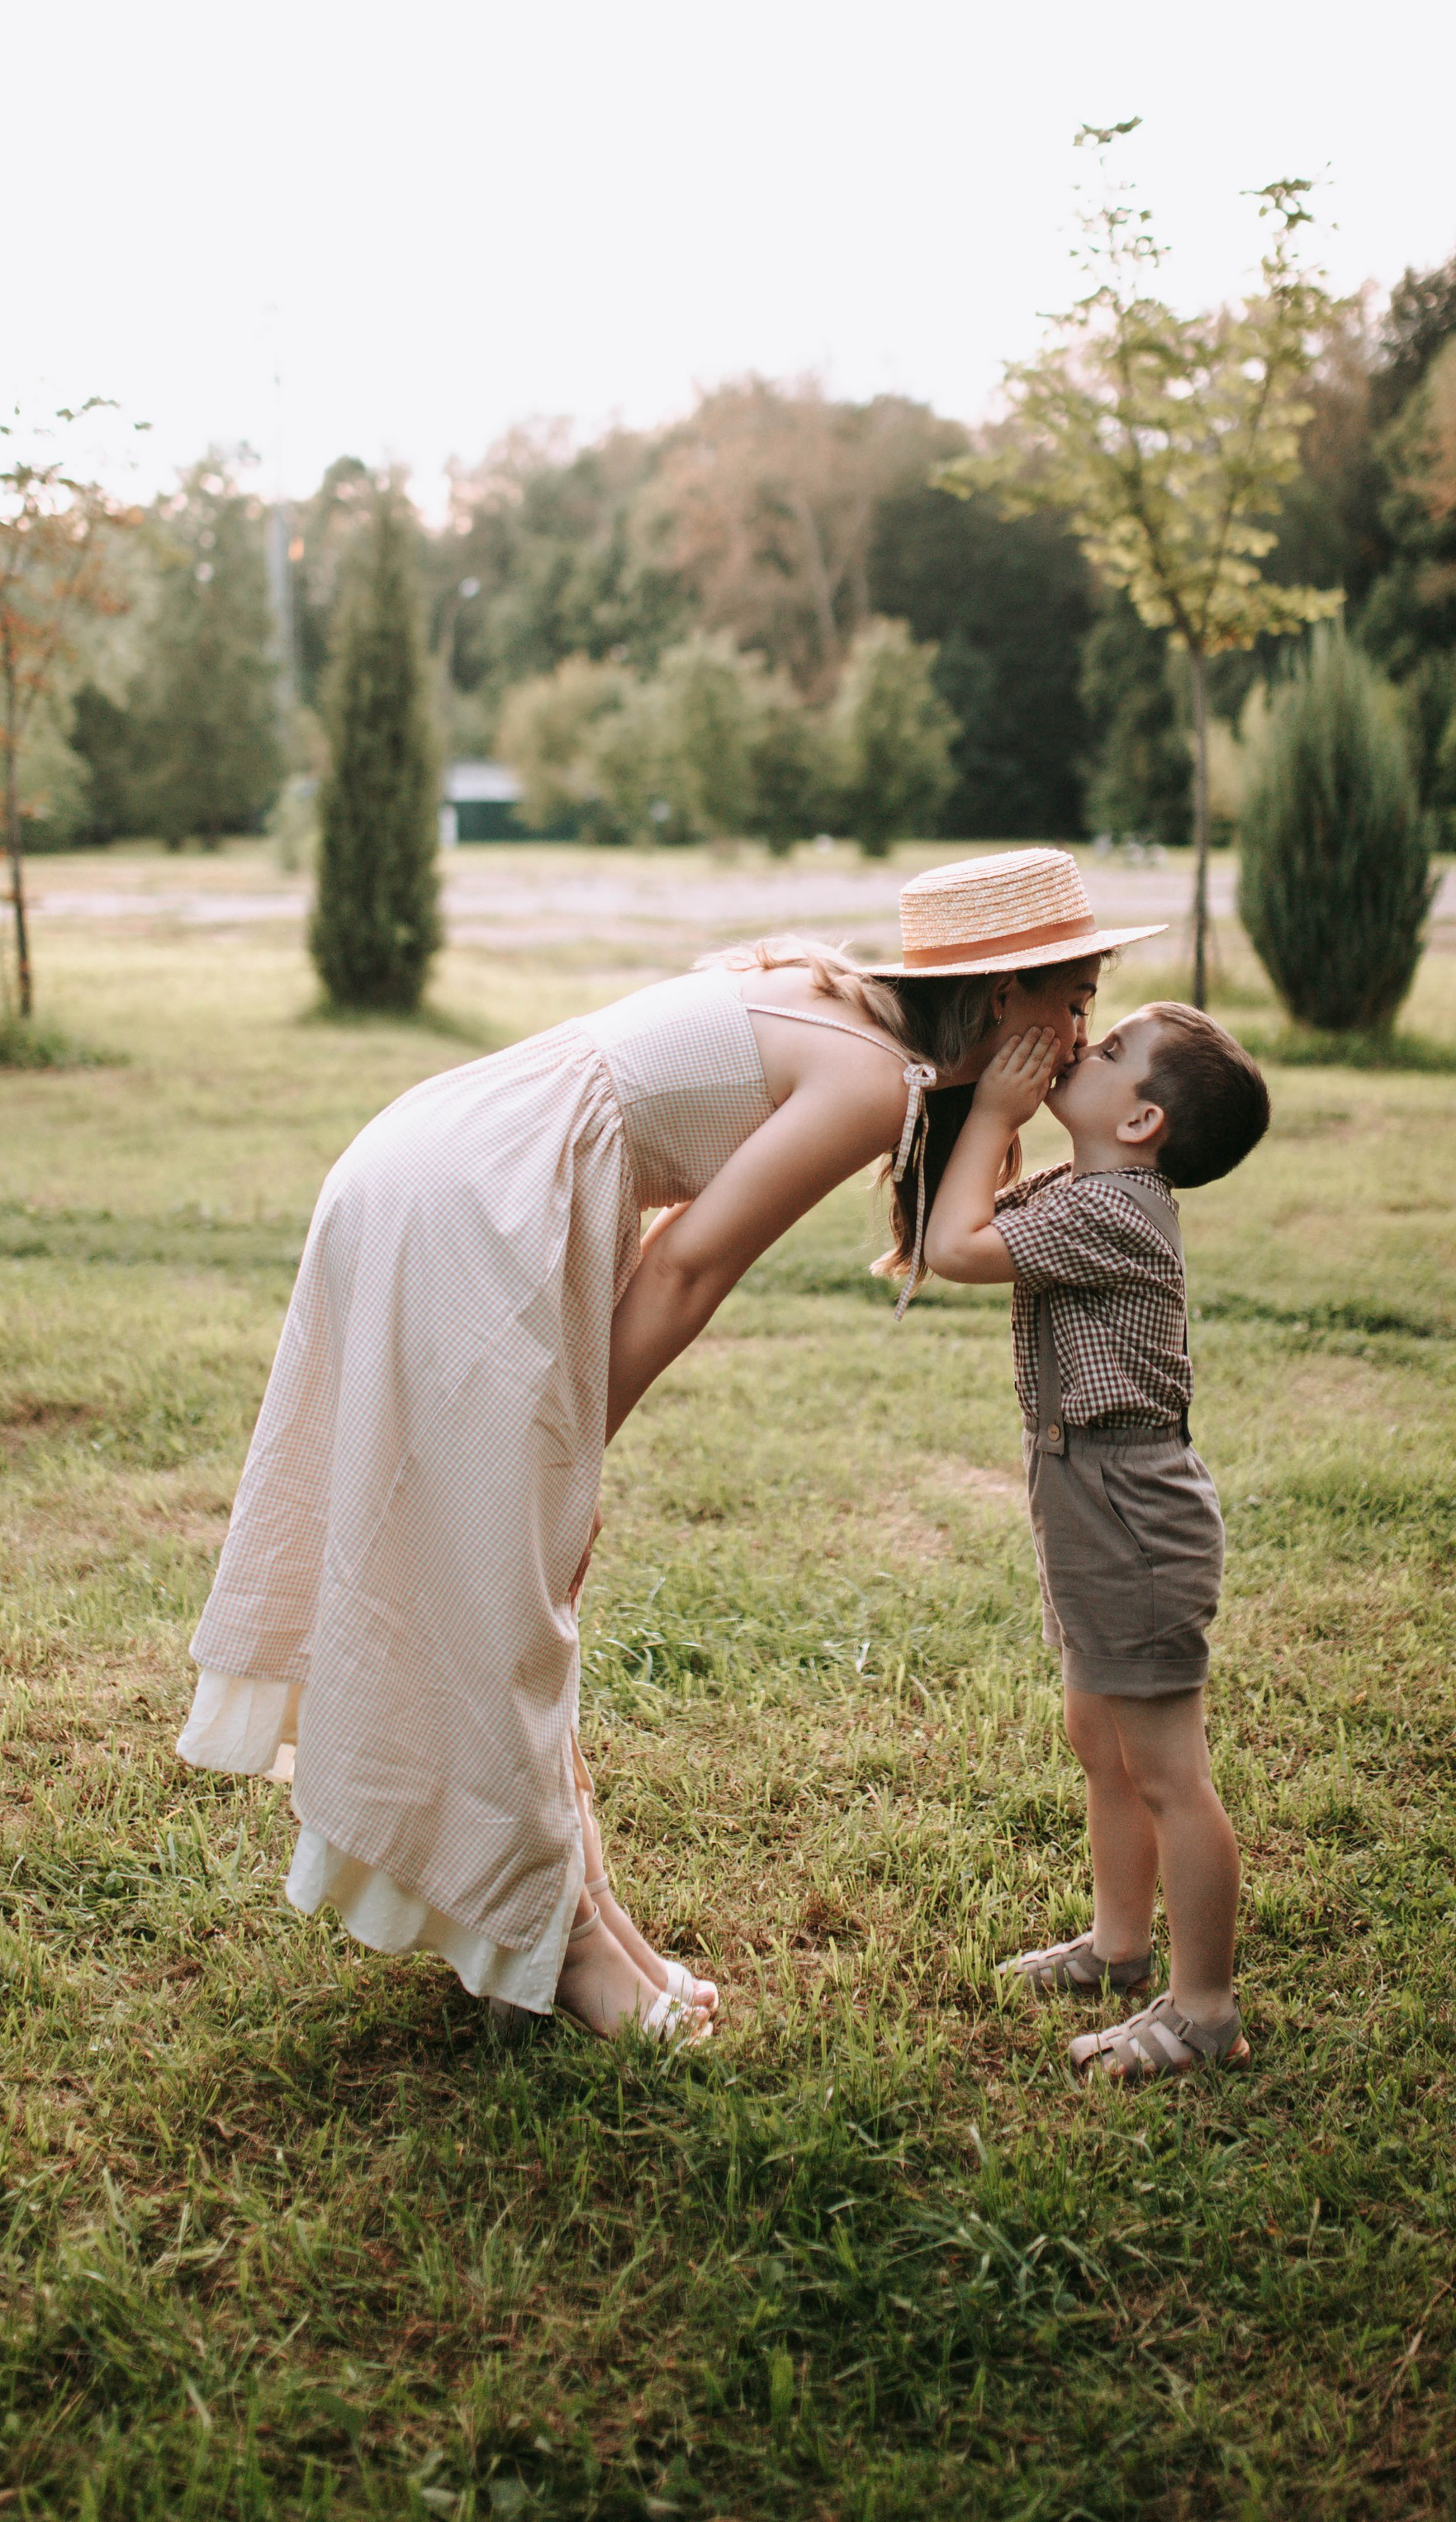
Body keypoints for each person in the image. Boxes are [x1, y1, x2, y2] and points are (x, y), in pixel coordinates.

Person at [177, 847, 1164, 2043]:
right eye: (1076, 1001)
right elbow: (690, 1265)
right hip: (464, 1205)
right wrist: (573, 1458)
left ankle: (571, 1924)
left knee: (503, 1588)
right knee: (503, 1594)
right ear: (1005, 995)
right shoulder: (871, 1077)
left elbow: (677, 1222)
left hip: (441, 1163)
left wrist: (559, 1461)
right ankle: (556, 1947)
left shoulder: (841, 1007)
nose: (1081, 1034)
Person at [923, 997, 1271, 2081]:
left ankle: (1204, 2011)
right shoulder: (1079, 1189)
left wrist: (996, 1108)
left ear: (1141, 1122)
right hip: (1085, 1490)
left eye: (1110, 1048)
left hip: (1130, 1506)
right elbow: (963, 1202)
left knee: (1168, 1771)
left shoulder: (1115, 1210)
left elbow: (954, 1246)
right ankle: (1120, 1949)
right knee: (1102, 1744)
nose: (1083, 1044)